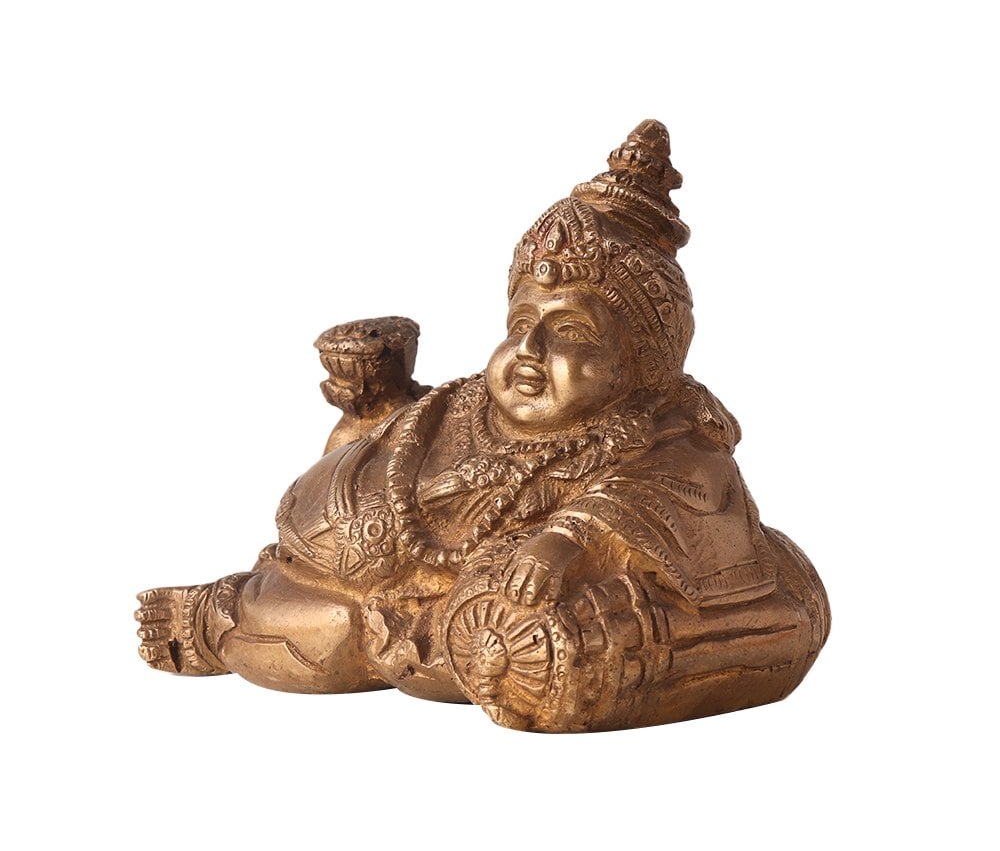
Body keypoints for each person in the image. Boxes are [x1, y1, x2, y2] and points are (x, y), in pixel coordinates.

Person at [136, 120, 829, 732]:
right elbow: (404, 454)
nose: (529, 350)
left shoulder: (663, 436)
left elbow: (682, 494)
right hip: (349, 553)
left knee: (343, 636)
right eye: (521, 323)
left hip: (467, 619)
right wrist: (381, 410)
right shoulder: (462, 409)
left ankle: (228, 620)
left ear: (640, 366)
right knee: (330, 610)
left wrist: (566, 540)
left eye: (570, 332)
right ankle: (228, 612)